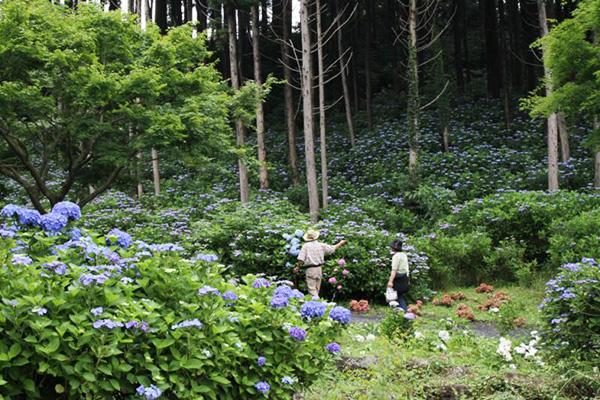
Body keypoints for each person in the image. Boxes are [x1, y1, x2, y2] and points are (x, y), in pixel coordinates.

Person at [294, 229, 347, 298]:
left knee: (312, 290)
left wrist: (297, 267)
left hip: (310, 269)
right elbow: (332, 248)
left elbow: (301, 259)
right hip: (319, 269)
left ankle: (320, 305)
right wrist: (341, 243)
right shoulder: (321, 245)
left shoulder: (306, 246)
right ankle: (317, 304)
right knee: (316, 290)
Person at [387, 239, 410, 311]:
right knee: (399, 296)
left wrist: (390, 281)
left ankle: (403, 313)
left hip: (398, 277)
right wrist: (408, 279)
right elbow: (407, 268)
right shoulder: (404, 255)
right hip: (404, 277)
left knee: (394, 296)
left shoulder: (396, 256)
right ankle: (401, 312)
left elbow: (394, 270)